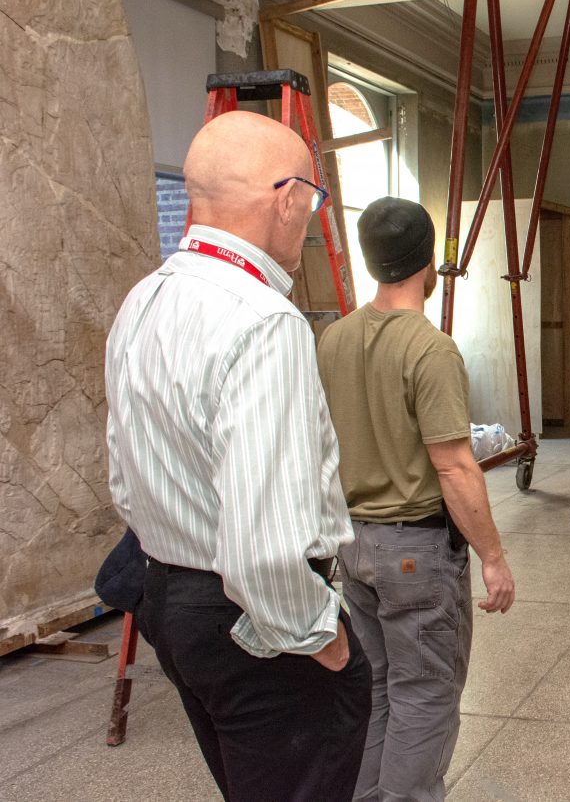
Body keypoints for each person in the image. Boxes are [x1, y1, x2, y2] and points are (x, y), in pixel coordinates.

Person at [105, 110, 371, 802]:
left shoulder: (145, 299)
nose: (309, 217)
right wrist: (325, 641)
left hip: (171, 600)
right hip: (257, 629)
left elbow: (124, 477)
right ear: (286, 198)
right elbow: (263, 549)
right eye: (312, 198)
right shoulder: (264, 322)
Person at [317, 196, 516, 802]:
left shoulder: (332, 340)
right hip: (414, 552)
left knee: (380, 688)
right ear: (429, 262)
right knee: (426, 693)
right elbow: (453, 466)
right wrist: (493, 557)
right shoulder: (430, 349)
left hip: (353, 545)